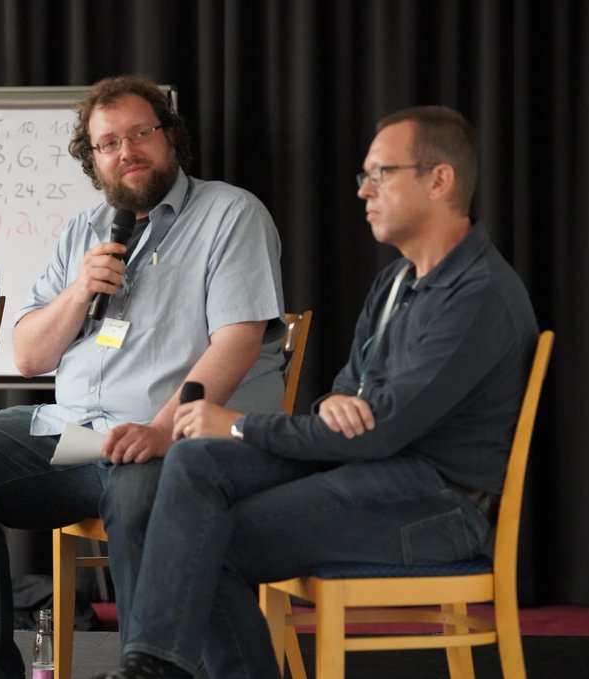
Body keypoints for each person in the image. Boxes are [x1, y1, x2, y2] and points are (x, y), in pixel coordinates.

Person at [94, 105, 539, 679]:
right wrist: (333, 403)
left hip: (435, 503)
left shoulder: (477, 295)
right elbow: (348, 392)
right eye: (364, 177)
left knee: (208, 536)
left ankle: (152, 668)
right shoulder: (397, 277)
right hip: (368, 469)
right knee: (197, 464)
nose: (364, 191)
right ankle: (150, 664)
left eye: (380, 174)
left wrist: (235, 423)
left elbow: (380, 431)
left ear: (439, 180)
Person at [0, 74, 286, 678]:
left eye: (140, 133)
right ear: (93, 160)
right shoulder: (83, 231)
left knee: (143, 489)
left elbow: (237, 343)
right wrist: (79, 290)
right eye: (108, 142)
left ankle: (149, 670)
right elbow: (31, 356)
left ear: (171, 137)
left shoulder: (229, 213)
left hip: (169, 442)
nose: (126, 151)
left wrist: (162, 430)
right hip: (77, 437)